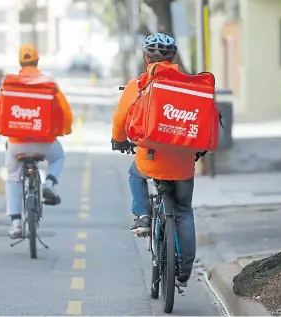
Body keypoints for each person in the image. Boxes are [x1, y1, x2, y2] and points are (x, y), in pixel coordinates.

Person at [111, 33, 196, 287]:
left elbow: (120, 120)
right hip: (182, 163)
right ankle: (185, 268)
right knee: (183, 211)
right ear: (173, 57)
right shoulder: (191, 85)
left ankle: (143, 216)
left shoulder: (137, 85)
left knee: (135, 173)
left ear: (146, 57)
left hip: (150, 159)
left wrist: (119, 139)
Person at [0, 43, 73, 239]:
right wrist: (63, 130)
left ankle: (16, 224)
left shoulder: (8, 83)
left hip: (17, 144)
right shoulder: (49, 83)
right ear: (37, 61)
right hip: (45, 141)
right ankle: (50, 184)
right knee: (58, 156)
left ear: (20, 62)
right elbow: (64, 111)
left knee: (12, 178)